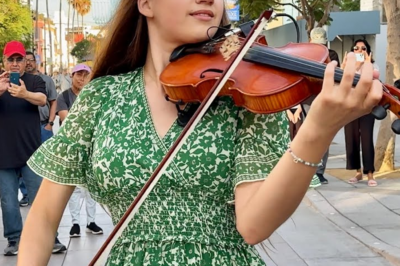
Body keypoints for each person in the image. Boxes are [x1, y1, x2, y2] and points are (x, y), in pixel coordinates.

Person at [17, 1, 382, 265]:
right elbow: (45, 216)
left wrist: (317, 128)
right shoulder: (101, 96)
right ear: (145, 4)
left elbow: (254, 225)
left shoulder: (249, 93)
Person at [0, 41, 47, 256]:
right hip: (3, 154)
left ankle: (47, 238)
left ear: (25, 62)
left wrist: (24, 94)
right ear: (4, 61)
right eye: (11, 59)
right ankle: (14, 239)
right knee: (9, 201)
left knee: (40, 198)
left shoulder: (34, 80)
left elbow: (42, 99)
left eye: (19, 59)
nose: (15, 64)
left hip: (31, 152)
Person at [56, 64, 104, 237]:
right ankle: (75, 223)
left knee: (91, 185)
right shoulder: (64, 96)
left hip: (92, 145)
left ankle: (91, 221)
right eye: (79, 74)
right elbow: (66, 120)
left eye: (85, 75)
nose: (82, 78)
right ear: (72, 76)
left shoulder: (93, 97)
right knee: (75, 187)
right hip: (72, 146)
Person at [301, 27, 342, 185]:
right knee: (306, 136)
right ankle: (305, 171)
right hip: (305, 99)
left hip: (325, 98)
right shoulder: (304, 54)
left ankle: (319, 172)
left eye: (322, 44)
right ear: (310, 41)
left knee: (323, 135)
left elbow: (335, 77)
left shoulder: (331, 55)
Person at [17, 51, 58, 207]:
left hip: (43, 125)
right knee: (23, 161)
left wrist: (51, 124)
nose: (28, 63)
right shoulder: (17, 81)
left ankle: (44, 193)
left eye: (30, 60)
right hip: (25, 128)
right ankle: (26, 194)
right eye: (25, 60)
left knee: (44, 162)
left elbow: (53, 101)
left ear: (36, 62)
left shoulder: (46, 80)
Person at [343, 39, 379, 187]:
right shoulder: (347, 66)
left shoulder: (372, 65)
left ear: (368, 51)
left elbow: (372, 79)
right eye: (356, 48)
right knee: (351, 139)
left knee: (366, 138)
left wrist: (365, 64)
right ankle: (358, 172)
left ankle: (370, 173)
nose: (359, 51)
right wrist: (349, 66)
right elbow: (343, 82)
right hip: (351, 106)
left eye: (363, 48)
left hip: (367, 107)